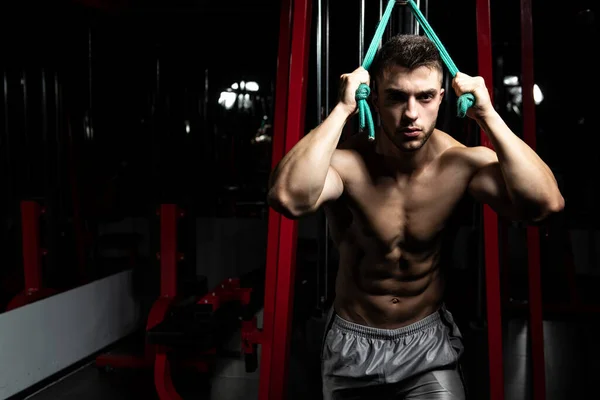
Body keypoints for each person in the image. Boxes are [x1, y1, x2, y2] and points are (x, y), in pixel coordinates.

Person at [267, 34, 564, 399]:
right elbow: (287, 198)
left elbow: (545, 204)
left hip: (427, 346)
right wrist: (342, 110)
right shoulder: (348, 164)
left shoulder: (460, 163)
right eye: (396, 96)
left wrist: (488, 115)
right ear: (373, 97)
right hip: (352, 344)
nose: (411, 114)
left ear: (442, 97)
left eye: (425, 97)